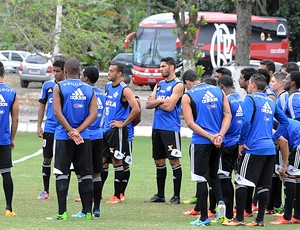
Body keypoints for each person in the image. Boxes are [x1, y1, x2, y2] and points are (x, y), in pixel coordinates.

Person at [223, 74, 289, 227]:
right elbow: (284, 121)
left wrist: (242, 142)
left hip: (253, 148)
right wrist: (273, 138)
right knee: (263, 185)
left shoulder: (250, 99)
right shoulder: (271, 101)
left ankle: (239, 218)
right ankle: (259, 220)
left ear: (252, 84)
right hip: (269, 150)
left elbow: (246, 121)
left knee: (241, 181)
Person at [47, 58, 98, 221]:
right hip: (84, 137)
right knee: (86, 174)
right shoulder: (89, 89)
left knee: (62, 173)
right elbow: (94, 114)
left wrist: (70, 131)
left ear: (66, 71)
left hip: (64, 136)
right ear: (80, 71)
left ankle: (62, 212)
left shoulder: (59, 87)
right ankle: (88, 212)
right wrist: (79, 131)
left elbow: (56, 112)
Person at [181, 70, 232, 226]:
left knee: (201, 178)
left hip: (201, 142)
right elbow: (227, 114)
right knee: (213, 174)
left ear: (187, 83)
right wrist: (219, 135)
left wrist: (209, 137)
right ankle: (221, 202)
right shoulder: (219, 90)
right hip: (218, 141)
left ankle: (203, 218)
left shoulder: (188, 96)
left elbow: (190, 123)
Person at [146, 57, 184, 204]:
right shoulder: (160, 84)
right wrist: (163, 101)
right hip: (157, 128)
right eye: (160, 67)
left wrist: (158, 102)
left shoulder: (178, 85)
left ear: (171, 67)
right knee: (159, 161)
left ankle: (176, 196)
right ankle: (160, 195)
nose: (160, 69)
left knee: (174, 160)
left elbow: (169, 107)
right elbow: (148, 104)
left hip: (170, 129)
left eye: (163, 67)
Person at [102, 62, 140, 204]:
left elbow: (136, 109)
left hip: (117, 131)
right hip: (106, 130)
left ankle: (117, 195)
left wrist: (123, 123)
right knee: (103, 161)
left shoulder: (125, 90)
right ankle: (97, 193)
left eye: (111, 71)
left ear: (119, 74)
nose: (108, 73)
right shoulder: (107, 87)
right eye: (108, 70)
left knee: (117, 161)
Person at [71, 66, 106, 218]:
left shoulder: (84, 92)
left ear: (86, 78)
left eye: (82, 75)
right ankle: (97, 208)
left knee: (82, 173)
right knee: (96, 173)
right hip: (99, 135)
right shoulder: (102, 94)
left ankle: (85, 210)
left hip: (85, 136)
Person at [37, 59, 65, 200]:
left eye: (58, 71)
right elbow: (42, 105)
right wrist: (39, 125)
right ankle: (45, 191)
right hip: (50, 128)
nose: (55, 74)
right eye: (53, 71)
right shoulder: (47, 86)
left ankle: (63, 192)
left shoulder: (66, 87)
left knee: (62, 161)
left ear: (64, 71)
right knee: (47, 158)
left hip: (63, 129)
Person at [270, 118, 300, 224]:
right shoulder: (279, 120)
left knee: (289, 176)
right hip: (296, 143)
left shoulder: (270, 124)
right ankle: (297, 216)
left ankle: (287, 217)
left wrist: (284, 165)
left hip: (298, 145)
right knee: (298, 178)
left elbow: (284, 142)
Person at [0, 61, 19, 217]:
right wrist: (12, 138)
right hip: (4, 140)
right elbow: (16, 119)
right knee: (6, 173)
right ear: (3, 75)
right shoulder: (11, 92)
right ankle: (8, 208)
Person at [120, 74, 141, 200]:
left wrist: (125, 124)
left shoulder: (134, 99)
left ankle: (121, 193)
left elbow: (137, 118)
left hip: (127, 135)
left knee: (124, 164)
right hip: (112, 134)